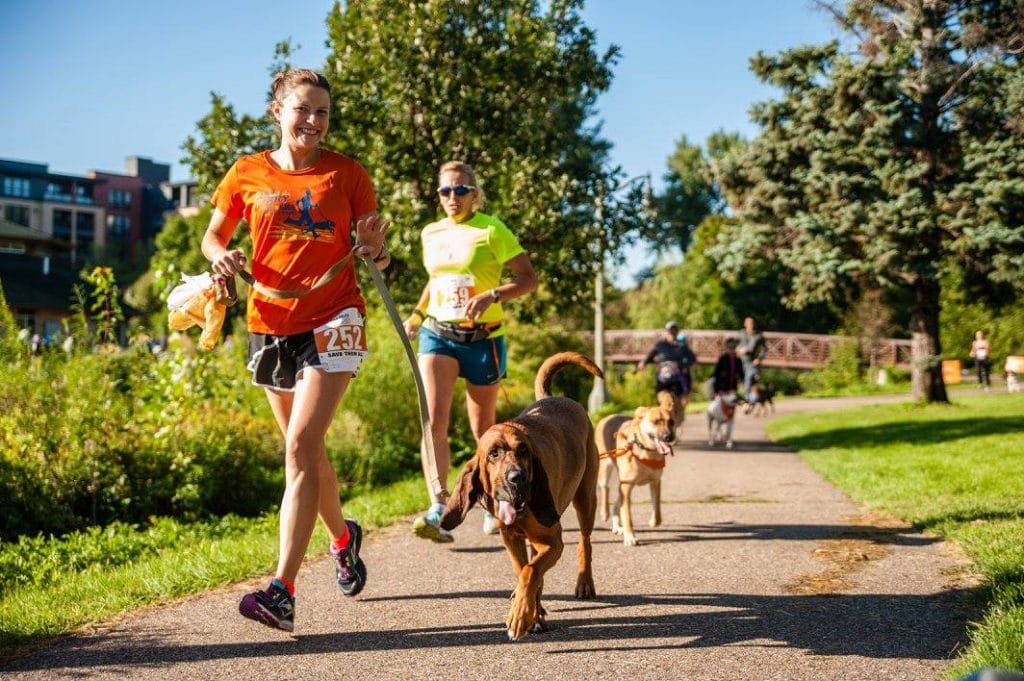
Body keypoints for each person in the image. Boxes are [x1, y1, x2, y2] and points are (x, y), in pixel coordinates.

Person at [201, 68, 390, 632]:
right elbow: (214, 235)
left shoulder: (348, 174)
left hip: (337, 317)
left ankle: (282, 590)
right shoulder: (246, 172)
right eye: (303, 109)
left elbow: (376, 256)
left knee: (302, 444)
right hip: (269, 321)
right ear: (276, 111)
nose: (313, 121)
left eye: (323, 113)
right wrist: (221, 257)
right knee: (305, 451)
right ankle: (342, 536)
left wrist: (376, 251)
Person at [403, 161, 538, 542]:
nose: (452, 198)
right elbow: (436, 280)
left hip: (483, 338)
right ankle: (438, 504)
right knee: (434, 421)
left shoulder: (492, 230)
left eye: (461, 190)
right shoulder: (430, 232)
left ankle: (498, 502)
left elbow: (528, 280)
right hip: (438, 334)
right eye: (445, 191)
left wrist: (493, 293)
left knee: (485, 431)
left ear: (475, 195)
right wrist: (417, 315)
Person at [637, 321, 694, 436]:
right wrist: (643, 363)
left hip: (677, 382)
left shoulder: (682, 347)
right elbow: (650, 356)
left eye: (674, 330)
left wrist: (684, 365)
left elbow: (692, 359)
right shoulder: (660, 345)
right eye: (670, 330)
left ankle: (675, 426)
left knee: (676, 405)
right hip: (663, 382)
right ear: (667, 331)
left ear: (677, 332)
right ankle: (665, 428)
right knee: (665, 402)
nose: (672, 332)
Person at [737, 316, 767, 396]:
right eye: (749, 323)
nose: (751, 325)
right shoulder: (741, 333)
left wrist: (759, 359)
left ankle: (748, 398)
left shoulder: (759, 335)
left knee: (749, 378)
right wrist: (739, 350)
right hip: (741, 360)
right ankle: (745, 397)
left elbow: (764, 349)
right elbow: (735, 345)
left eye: (752, 323)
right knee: (740, 379)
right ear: (745, 324)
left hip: (752, 362)